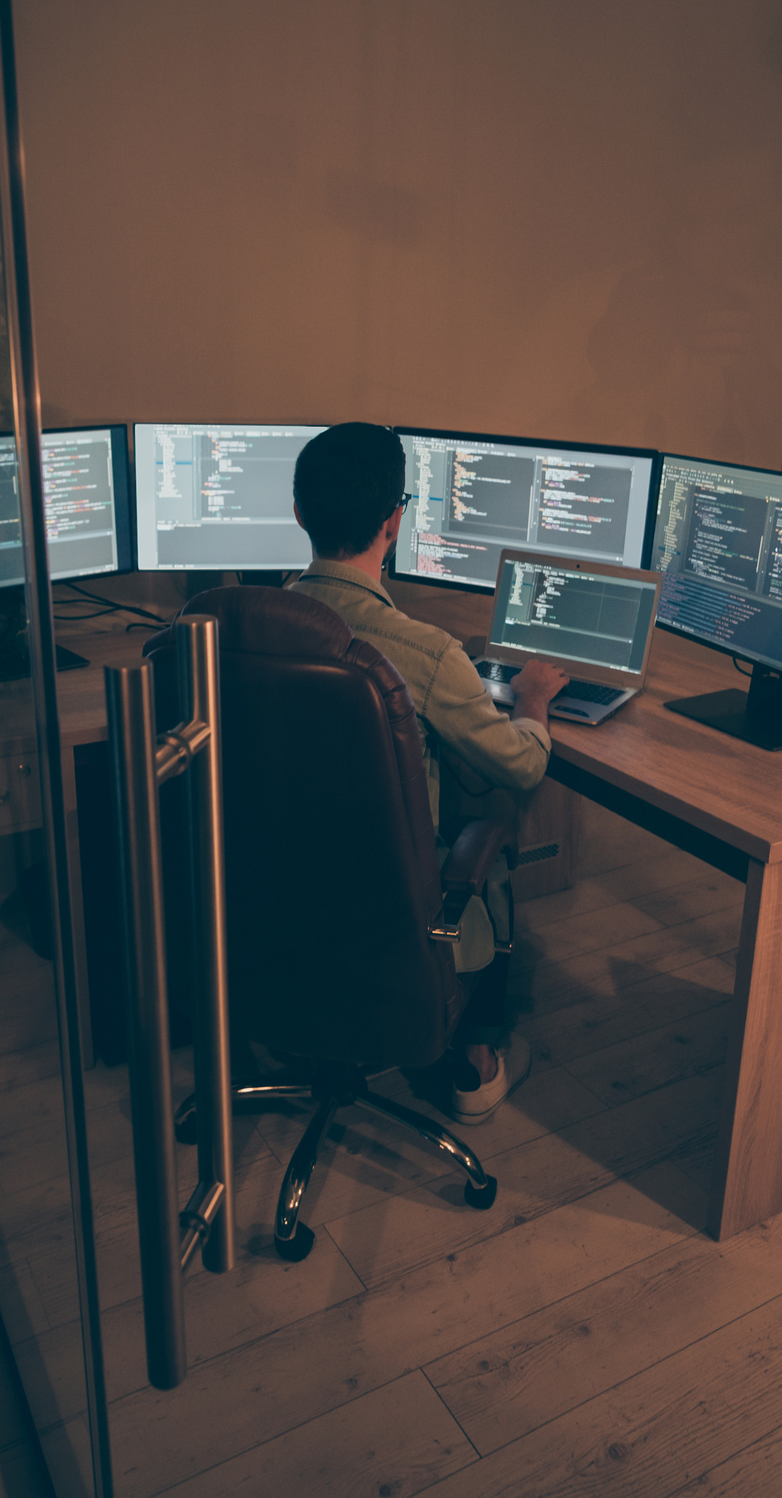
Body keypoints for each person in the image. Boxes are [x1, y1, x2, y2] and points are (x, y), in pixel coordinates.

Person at [287, 421, 564, 1123]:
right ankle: (474, 1063)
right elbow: (522, 765)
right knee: (487, 842)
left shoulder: (240, 626)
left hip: (273, 894)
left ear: (297, 515)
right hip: (387, 911)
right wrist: (530, 698)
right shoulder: (426, 654)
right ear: (395, 520)